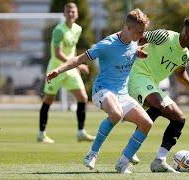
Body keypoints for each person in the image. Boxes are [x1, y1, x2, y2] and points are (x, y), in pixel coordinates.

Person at [46, 9, 152, 174]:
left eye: (143, 31)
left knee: (147, 123)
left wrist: (138, 53)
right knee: (115, 114)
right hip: (102, 90)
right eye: (140, 32)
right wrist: (58, 70)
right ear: (128, 28)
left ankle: (123, 162)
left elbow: (128, 51)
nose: (142, 35)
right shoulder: (107, 44)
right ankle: (92, 154)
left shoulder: (133, 41)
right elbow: (79, 59)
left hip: (122, 94)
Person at [128, 15, 189, 172]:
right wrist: (129, 54)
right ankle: (130, 151)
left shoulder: (187, 53)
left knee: (179, 119)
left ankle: (160, 160)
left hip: (152, 84)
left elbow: (179, 72)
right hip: (137, 75)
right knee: (159, 105)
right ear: (188, 31)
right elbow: (137, 38)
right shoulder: (164, 36)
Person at [38, 2, 95, 144]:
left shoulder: (78, 29)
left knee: (82, 97)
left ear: (76, 14)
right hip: (56, 70)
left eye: (73, 11)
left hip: (70, 69)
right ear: (64, 14)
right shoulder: (59, 30)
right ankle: (41, 133)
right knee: (48, 100)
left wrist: (75, 64)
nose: (71, 14)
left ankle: (81, 132)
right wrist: (77, 64)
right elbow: (57, 54)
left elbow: (72, 50)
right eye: (68, 11)